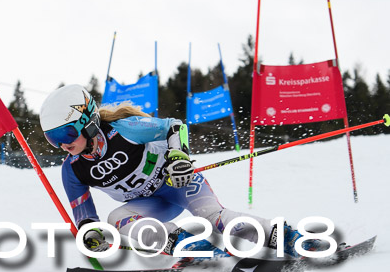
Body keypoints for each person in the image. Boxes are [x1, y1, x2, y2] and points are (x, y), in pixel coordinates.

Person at [38, 84, 319, 259]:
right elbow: (86, 219)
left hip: (179, 182)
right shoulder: (72, 171)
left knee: (213, 217)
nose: (62, 143)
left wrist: (179, 156)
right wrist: (92, 235)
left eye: (66, 132)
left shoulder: (124, 130)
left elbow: (174, 125)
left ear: (88, 122)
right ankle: (193, 248)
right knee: (116, 218)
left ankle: (289, 238)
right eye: (53, 138)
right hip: (152, 204)